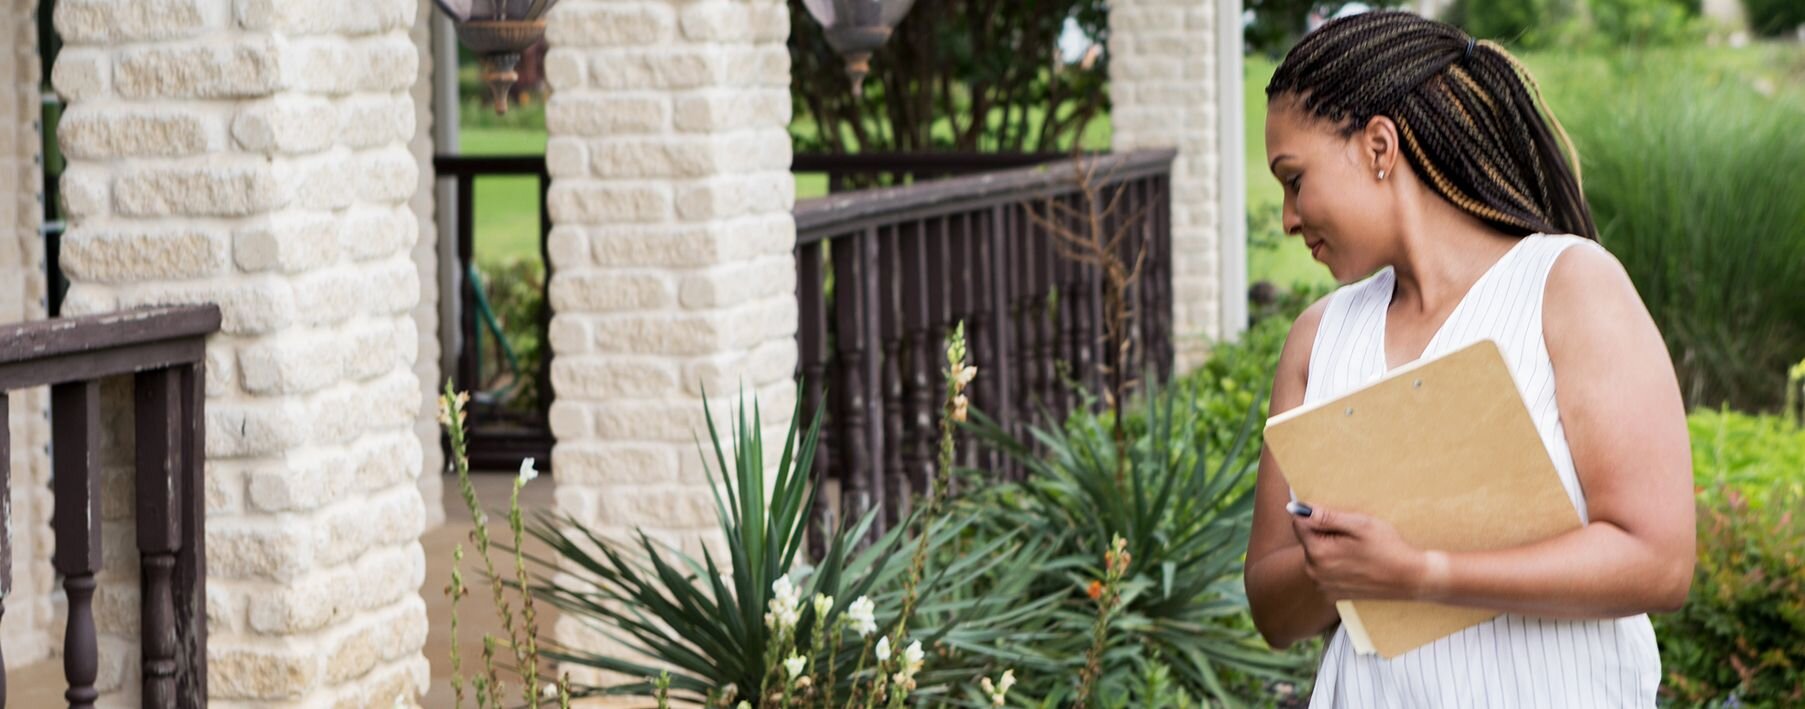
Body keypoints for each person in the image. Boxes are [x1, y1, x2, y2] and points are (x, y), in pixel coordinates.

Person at [1244, 11, 1696, 707]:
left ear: (1378, 147)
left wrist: (1419, 571)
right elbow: (1274, 614)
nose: (1287, 218)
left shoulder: (1568, 287)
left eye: (1294, 178)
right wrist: (1337, 564)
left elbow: (1657, 561)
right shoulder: (1317, 338)